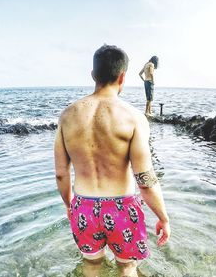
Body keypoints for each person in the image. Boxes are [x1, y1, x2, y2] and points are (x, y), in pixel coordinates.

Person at [54, 45, 170, 277]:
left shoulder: (67, 115)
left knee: (91, 265)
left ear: (93, 75)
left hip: (83, 206)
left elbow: (61, 173)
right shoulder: (134, 118)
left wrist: (69, 205)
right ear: (123, 76)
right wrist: (163, 218)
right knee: (127, 267)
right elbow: (145, 180)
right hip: (122, 209)